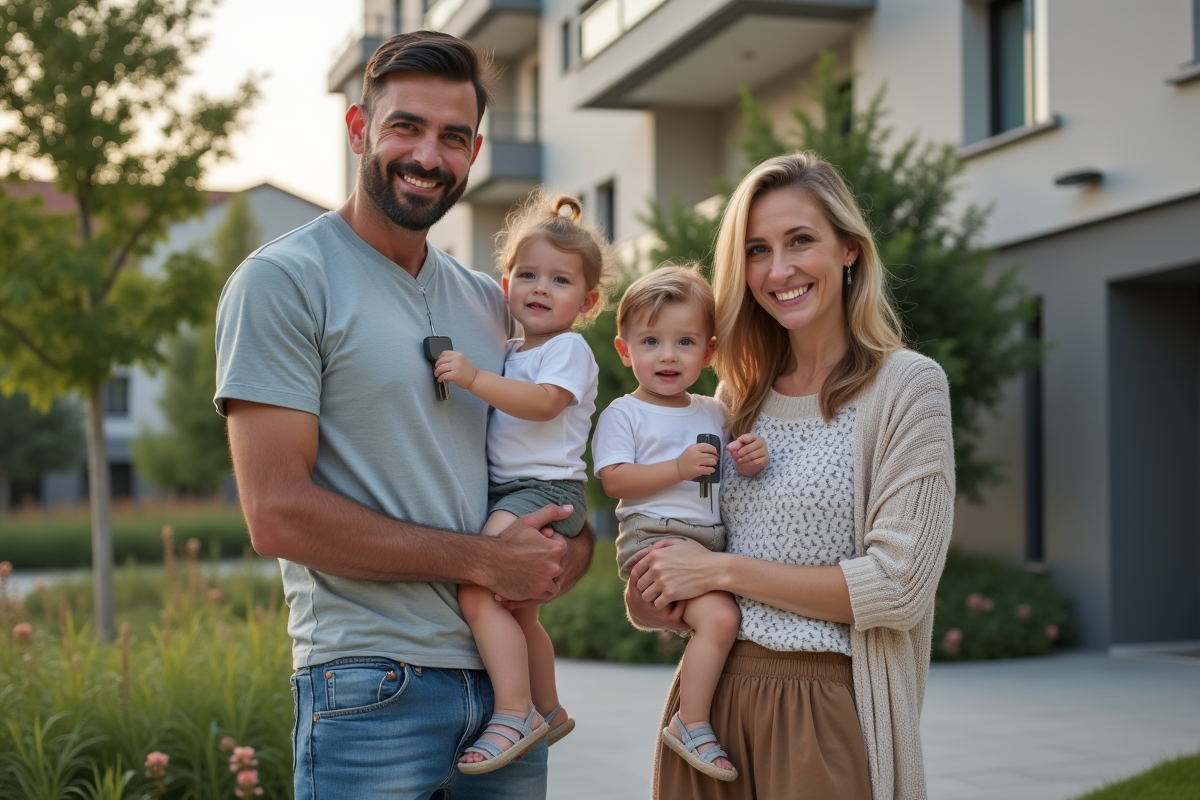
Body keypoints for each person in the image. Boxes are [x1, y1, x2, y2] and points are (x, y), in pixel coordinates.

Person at [214, 32, 593, 800]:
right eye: (405, 128)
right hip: (367, 685)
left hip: (502, 691)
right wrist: (486, 562)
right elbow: (277, 514)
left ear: (475, 151)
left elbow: (549, 475)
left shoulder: (494, 303)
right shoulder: (285, 282)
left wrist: (561, 556)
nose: (429, 155)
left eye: (452, 137)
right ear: (359, 130)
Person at [625, 152, 955, 800]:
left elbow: (898, 587)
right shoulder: (732, 397)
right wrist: (652, 591)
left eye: (799, 241)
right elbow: (672, 572)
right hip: (706, 717)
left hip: (826, 710)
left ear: (850, 250)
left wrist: (720, 574)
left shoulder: (906, 388)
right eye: (756, 250)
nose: (778, 270)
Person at [431, 191, 611, 773]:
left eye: (559, 281)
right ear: (504, 282)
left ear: (588, 301)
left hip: (546, 491)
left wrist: (475, 378)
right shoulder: (511, 348)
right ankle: (549, 708)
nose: (539, 288)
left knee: (480, 588)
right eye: (527, 274)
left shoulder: (568, 350)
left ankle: (513, 712)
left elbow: (541, 405)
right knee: (523, 613)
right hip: (517, 490)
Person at [592, 266, 769, 783]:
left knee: (721, 616)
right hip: (656, 536)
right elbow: (616, 481)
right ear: (626, 350)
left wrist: (753, 458)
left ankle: (693, 714)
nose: (667, 355)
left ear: (708, 352)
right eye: (651, 341)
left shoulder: (714, 411)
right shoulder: (625, 414)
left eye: (684, 341)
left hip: (708, 542)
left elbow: (732, 469)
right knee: (719, 620)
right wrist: (676, 468)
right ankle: (689, 722)